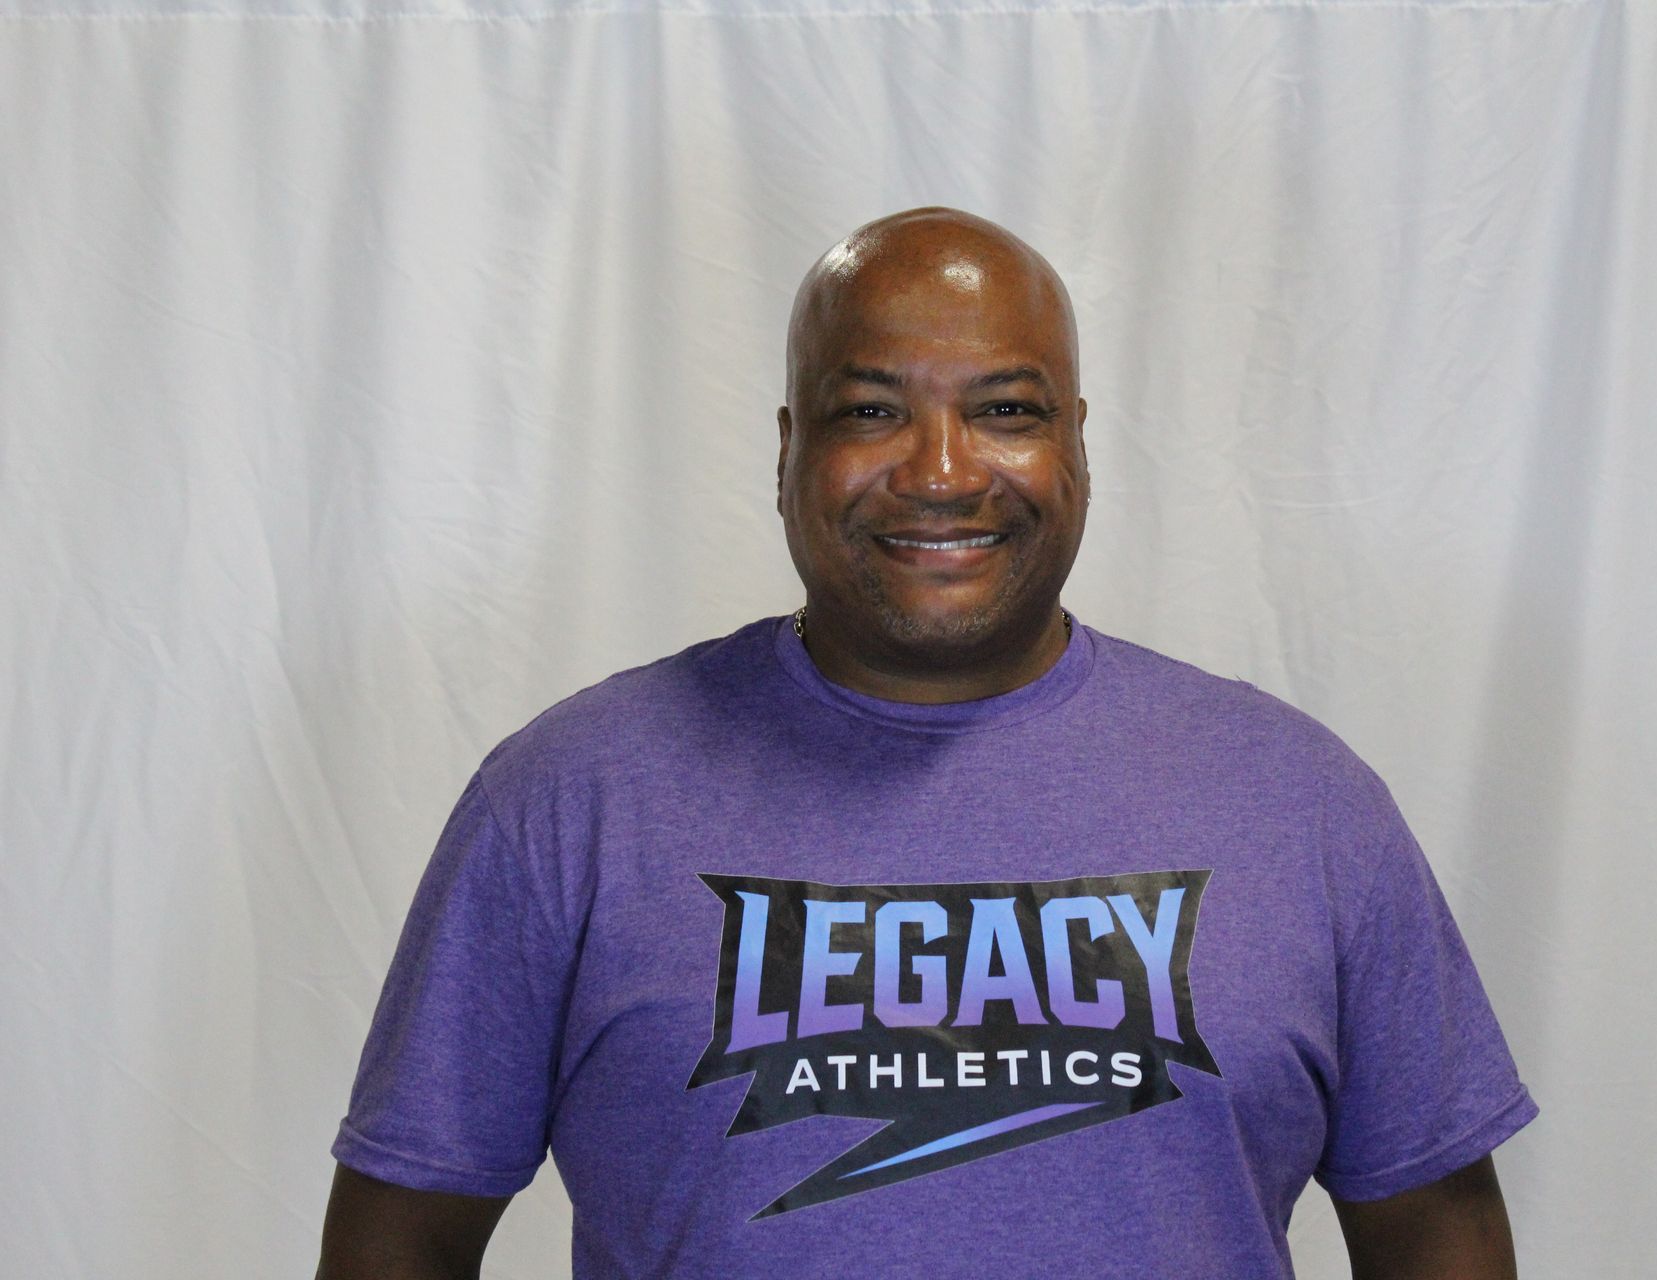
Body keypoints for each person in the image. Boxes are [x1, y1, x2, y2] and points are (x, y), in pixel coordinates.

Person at [318, 207, 1537, 1279]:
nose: (944, 469)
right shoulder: (570, 797)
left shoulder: (1297, 800)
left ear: (1077, 444)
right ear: (789, 449)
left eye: (1005, 410)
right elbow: (401, 1240)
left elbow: (1437, 1233)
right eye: (872, 410)